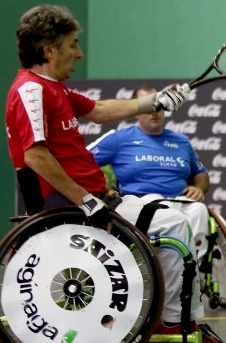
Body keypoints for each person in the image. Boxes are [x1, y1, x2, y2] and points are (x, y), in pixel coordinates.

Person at [4, 4, 225, 343]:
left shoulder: (53, 88)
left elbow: (100, 110)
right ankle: (171, 322)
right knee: (174, 228)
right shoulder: (32, 91)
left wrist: (156, 100)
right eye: (72, 44)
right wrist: (84, 199)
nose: (79, 52)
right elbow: (35, 155)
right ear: (49, 50)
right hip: (77, 206)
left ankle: (169, 316)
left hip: (98, 199)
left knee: (179, 219)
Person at [88, 84, 212, 260]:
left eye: (159, 106)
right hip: (144, 202)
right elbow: (83, 161)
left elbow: (201, 174)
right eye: (148, 106)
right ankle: (173, 274)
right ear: (135, 111)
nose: (154, 111)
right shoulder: (118, 139)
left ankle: (194, 270)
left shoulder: (181, 141)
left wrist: (199, 188)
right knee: (172, 217)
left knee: (199, 209)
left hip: (180, 199)